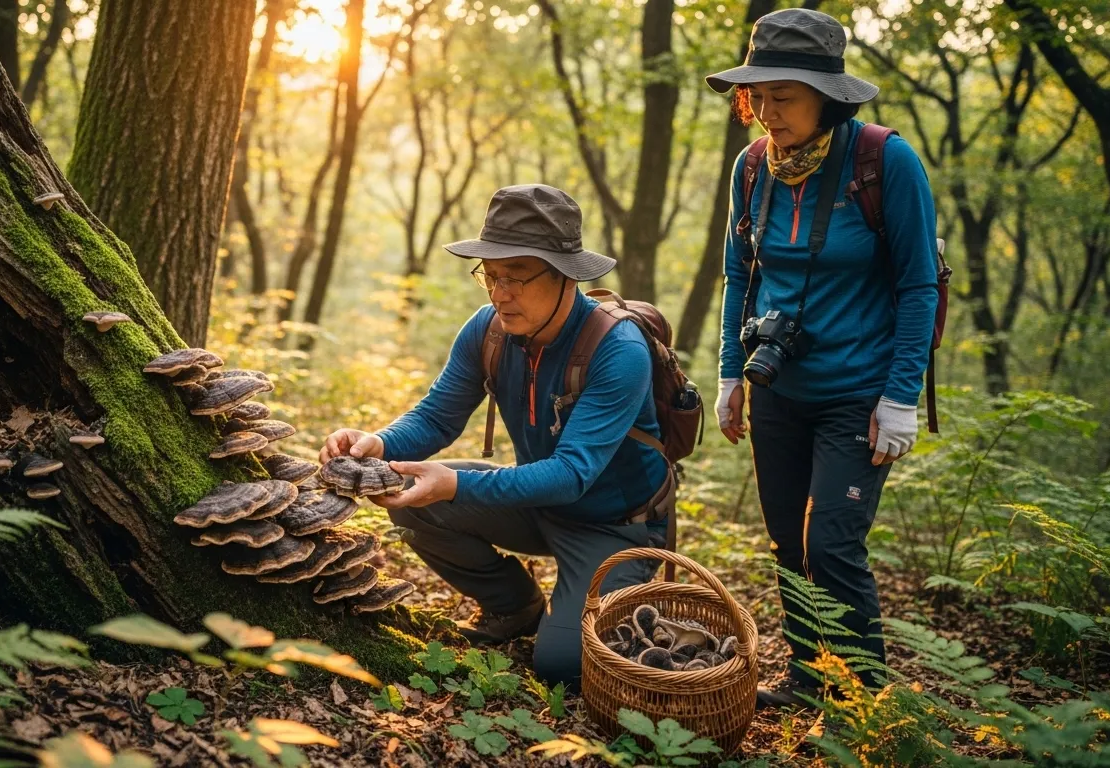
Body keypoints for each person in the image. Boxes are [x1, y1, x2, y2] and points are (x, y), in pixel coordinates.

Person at [319, 184, 670, 687]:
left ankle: (609, 599)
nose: (500, 292)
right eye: (491, 274)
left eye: (518, 277)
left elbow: (572, 474)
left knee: (561, 667)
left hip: (617, 527)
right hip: (537, 503)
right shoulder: (489, 330)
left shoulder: (618, 349)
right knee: (409, 496)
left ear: (566, 275)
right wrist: (379, 443)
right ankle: (516, 605)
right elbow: (438, 417)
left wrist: (455, 484)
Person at [705, 8, 939, 709]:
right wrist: (727, 372)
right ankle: (810, 682)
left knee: (832, 546)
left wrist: (901, 396)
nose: (766, 112)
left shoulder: (883, 161)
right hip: (777, 388)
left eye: (784, 97)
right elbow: (739, 274)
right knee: (787, 545)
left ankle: (864, 701)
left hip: (857, 396)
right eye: (759, 97)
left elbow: (918, 282)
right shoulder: (753, 169)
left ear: (826, 98)